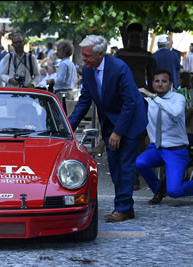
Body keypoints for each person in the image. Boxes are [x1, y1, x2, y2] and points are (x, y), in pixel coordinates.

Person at [68, 35, 148, 222]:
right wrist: (68, 127)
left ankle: (122, 208)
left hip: (130, 120)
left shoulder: (119, 68)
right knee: (114, 164)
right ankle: (126, 206)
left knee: (125, 164)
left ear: (100, 54)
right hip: (110, 121)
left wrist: (118, 132)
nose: (84, 59)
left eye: (87, 55)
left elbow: (129, 102)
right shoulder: (87, 71)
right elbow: (84, 101)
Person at [136, 69, 193, 205]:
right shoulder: (147, 100)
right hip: (156, 148)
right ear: (152, 83)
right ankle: (159, 189)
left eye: (164, 81)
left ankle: (169, 189)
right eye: (157, 81)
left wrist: (154, 97)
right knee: (140, 163)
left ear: (171, 84)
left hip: (176, 150)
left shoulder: (178, 98)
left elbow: (174, 112)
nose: (160, 84)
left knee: (175, 192)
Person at [114, 22, 156, 190]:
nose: (135, 39)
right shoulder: (120, 54)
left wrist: (153, 98)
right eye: (132, 37)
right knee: (122, 135)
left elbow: (152, 80)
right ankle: (127, 175)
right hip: (123, 99)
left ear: (142, 38)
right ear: (127, 38)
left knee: (139, 136)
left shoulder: (148, 56)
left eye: (137, 37)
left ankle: (135, 177)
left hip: (142, 99)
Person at [53, 40, 78, 115]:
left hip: (62, 93)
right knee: (68, 115)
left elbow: (60, 79)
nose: (57, 52)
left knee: (60, 116)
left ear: (65, 51)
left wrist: (52, 81)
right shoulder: (71, 63)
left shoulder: (63, 64)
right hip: (70, 92)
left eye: (59, 50)